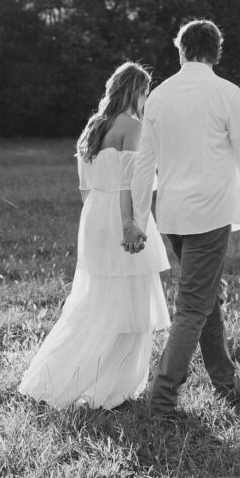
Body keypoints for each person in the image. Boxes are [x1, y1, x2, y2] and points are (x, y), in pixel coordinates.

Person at [129, 19, 240, 417]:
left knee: (206, 297)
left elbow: (144, 164)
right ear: (216, 52)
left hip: (173, 215)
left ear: (181, 51)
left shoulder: (159, 96)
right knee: (193, 305)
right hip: (209, 213)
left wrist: (139, 217)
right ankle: (162, 400)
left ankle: (226, 383)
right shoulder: (227, 92)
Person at [18, 61, 170, 410]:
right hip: (122, 215)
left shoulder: (93, 126)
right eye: (146, 92)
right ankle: (108, 387)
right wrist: (130, 225)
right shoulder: (132, 125)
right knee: (128, 306)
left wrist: (100, 217)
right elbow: (130, 184)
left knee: (96, 302)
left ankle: (61, 377)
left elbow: (85, 187)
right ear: (136, 91)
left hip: (95, 215)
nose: (146, 100)